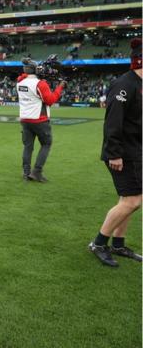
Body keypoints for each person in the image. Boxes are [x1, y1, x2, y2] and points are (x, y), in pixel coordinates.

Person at [88, 38, 142, 267]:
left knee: (128, 199)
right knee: (132, 201)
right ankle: (99, 243)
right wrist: (114, 154)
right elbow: (113, 122)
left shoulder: (137, 85)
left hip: (135, 151)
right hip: (122, 153)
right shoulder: (125, 85)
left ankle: (118, 244)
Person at [16, 58, 65, 182]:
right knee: (46, 144)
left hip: (25, 119)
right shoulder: (40, 84)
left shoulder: (20, 82)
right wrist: (60, 87)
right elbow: (51, 100)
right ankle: (37, 172)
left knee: (28, 147)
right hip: (39, 120)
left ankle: (26, 173)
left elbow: (23, 77)